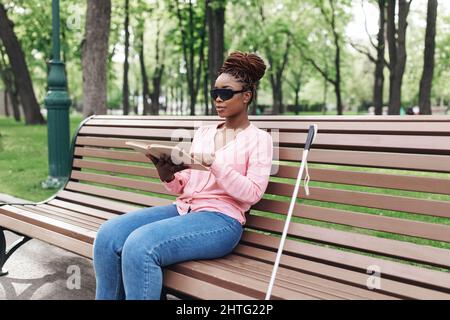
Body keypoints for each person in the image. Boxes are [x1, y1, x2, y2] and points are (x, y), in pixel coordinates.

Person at [93, 51, 274, 300]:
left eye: (225, 93)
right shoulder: (204, 133)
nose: (218, 100)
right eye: (214, 93)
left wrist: (215, 163)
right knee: (108, 236)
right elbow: (186, 184)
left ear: (246, 96)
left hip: (222, 221)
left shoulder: (259, 139)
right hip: (184, 209)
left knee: (140, 246)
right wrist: (168, 175)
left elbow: (253, 193)